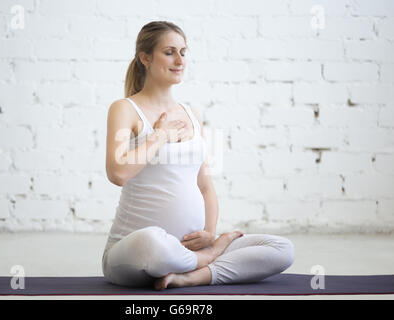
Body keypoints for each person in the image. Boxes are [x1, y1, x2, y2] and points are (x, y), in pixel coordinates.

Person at [102, 21, 295, 290]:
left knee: (281, 248)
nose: (180, 60)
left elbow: (205, 185)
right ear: (145, 58)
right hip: (137, 253)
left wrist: (209, 233)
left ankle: (193, 275)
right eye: (169, 52)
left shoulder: (192, 113)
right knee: (153, 243)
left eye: (183, 52)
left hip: (186, 246)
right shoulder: (125, 108)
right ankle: (208, 259)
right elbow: (118, 173)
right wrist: (160, 135)